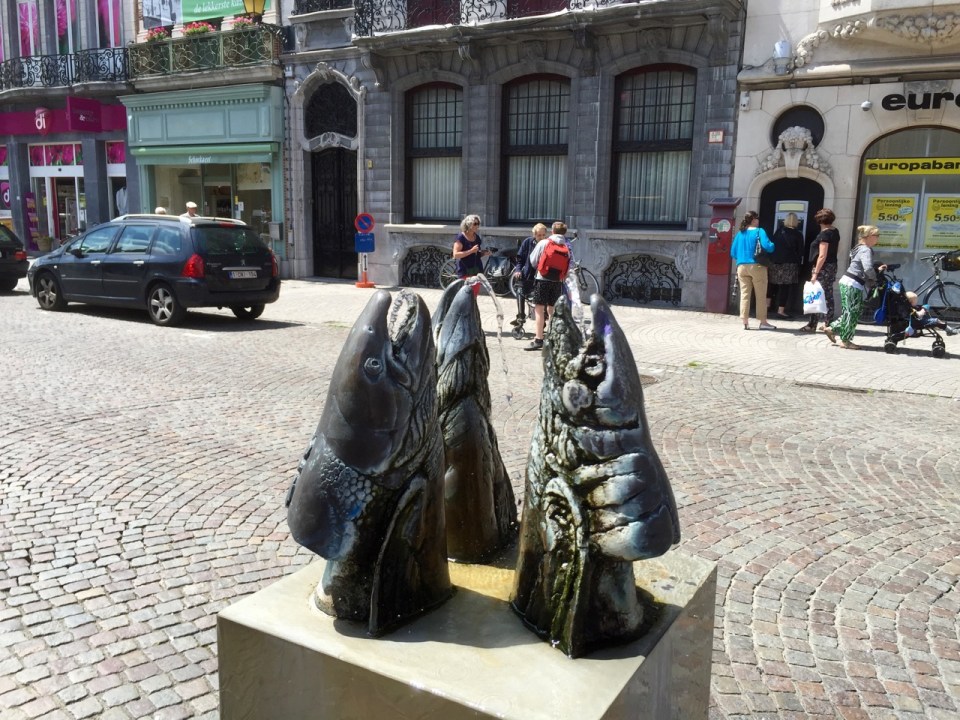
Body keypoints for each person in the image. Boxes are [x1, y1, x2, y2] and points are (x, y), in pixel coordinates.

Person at [824, 225, 886, 350]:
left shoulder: (858, 248)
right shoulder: (865, 250)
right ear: (868, 236)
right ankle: (845, 341)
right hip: (852, 283)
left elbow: (863, 267)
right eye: (876, 236)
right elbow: (867, 268)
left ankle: (832, 328)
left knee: (854, 312)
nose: (877, 239)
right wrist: (875, 278)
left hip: (850, 282)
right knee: (852, 313)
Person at [525, 221, 571, 350]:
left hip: (542, 279)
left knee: (539, 309)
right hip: (557, 281)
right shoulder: (566, 246)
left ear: (552, 231)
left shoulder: (544, 243)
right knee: (552, 310)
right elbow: (568, 267)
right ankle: (552, 338)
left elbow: (533, 261)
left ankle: (538, 339)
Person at [729, 210, 776, 330]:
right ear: (754, 219)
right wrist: (773, 245)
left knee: (745, 294)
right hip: (757, 266)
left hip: (741, 266)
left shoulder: (740, 234)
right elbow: (768, 247)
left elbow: (733, 252)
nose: (758, 220)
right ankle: (763, 322)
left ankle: (745, 322)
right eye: (757, 218)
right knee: (760, 295)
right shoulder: (759, 231)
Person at [802, 208, 840, 333]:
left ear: (820, 221)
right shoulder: (835, 232)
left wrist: (815, 273)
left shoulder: (824, 234)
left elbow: (822, 255)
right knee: (828, 294)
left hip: (823, 268)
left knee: (816, 294)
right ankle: (828, 323)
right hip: (832, 265)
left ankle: (812, 324)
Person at [768, 212, 804, 319]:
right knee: (785, 287)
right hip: (790, 263)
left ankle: (766, 307)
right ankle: (781, 310)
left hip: (775, 262)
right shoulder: (798, 234)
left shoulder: (779, 231)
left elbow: (772, 246)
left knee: (772, 285)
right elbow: (801, 251)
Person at [512, 223, 547, 327]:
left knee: (541, 298)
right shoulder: (528, 242)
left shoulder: (547, 244)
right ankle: (521, 316)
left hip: (542, 276)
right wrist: (518, 270)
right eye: (539, 235)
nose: (541, 237)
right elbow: (520, 259)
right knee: (520, 290)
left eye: (543, 235)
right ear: (534, 235)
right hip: (528, 275)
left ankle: (542, 319)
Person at [452, 214, 489, 296]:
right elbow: (456, 255)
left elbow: (477, 254)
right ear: (469, 224)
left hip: (476, 271)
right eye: (475, 224)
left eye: (478, 224)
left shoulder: (477, 237)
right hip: (465, 271)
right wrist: (471, 251)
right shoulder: (461, 237)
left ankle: (473, 308)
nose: (477, 226)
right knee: (465, 296)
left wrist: (484, 253)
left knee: (474, 296)